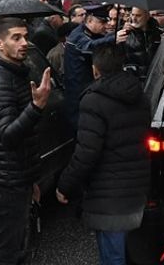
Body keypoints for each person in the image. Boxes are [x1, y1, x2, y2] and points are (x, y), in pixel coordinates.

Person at [55, 44, 149, 265]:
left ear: (96, 69)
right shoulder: (140, 96)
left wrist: (65, 184)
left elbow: (87, 152)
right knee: (128, 253)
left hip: (107, 193)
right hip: (136, 187)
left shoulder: (93, 101)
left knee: (112, 256)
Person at [0, 17, 53, 265]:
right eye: (16, 38)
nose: (24, 43)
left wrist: (30, 181)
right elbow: (9, 136)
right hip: (6, 184)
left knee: (18, 249)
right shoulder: (0, 83)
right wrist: (37, 106)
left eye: (25, 37)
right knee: (7, 254)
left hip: (16, 179)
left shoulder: (16, 74)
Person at [64, 9, 116, 129]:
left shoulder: (92, 33)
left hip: (87, 88)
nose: (105, 26)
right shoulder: (78, 35)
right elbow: (89, 46)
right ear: (89, 20)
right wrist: (113, 38)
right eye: (101, 22)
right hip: (77, 91)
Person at [118, 6, 161, 77]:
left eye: (138, 15)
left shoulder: (157, 34)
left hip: (154, 78)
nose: (134, 18)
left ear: (147, 16)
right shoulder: (124, 34)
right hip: (132, 80)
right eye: (132, 14)